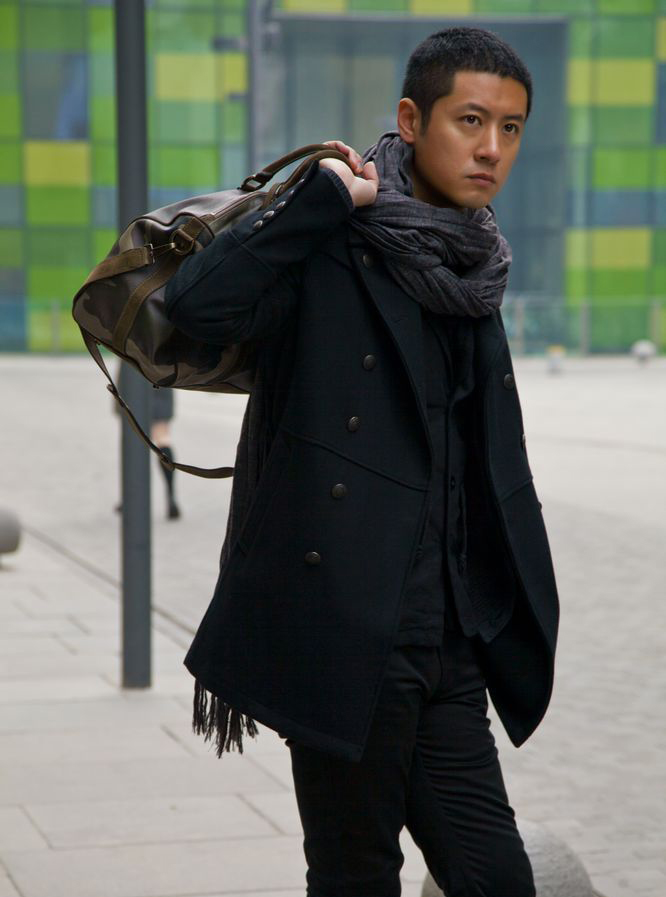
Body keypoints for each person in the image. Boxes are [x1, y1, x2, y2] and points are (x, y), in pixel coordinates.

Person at [164, 26, 559, 897]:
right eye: (471, 120)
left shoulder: (474, 259)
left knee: (499, 878)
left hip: (449, 641)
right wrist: (318, 203)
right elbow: (195, 308)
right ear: (412, 121)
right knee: (355, 876)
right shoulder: (335, 239)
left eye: (511, 128)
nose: (492, 148)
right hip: (347, 631)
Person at [114, 362, 181, 520]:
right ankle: (171, 497)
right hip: (162, 371)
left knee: (133, 439)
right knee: (163, 438)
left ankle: (130, 497)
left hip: (134, 370)